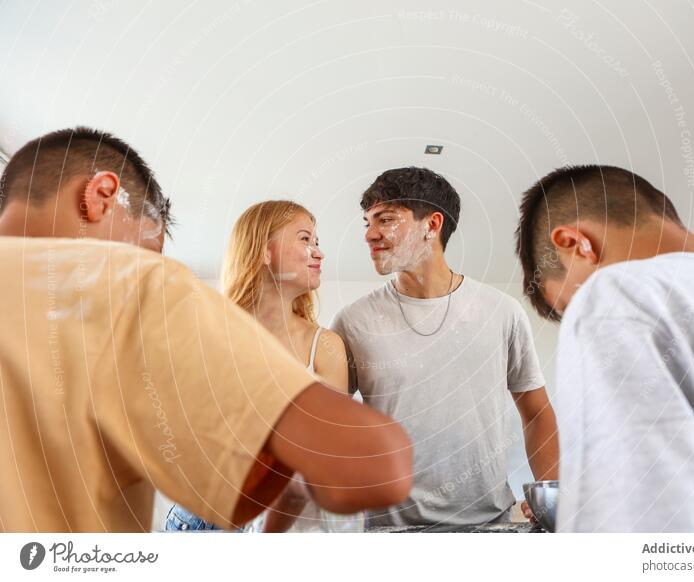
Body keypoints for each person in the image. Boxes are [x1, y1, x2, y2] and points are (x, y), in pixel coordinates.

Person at [0, 127, 412, 532]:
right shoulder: (129, 285)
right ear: (103, 195)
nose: (143, 261)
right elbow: (373, 462)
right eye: (145, 249)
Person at [515, 164, 694, 532]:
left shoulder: (619, 294)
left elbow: (647, 540)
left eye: (570, 305)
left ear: (575, 243)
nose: (577, 317)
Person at [331, 167, 559, 528]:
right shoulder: (352, 321)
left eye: (386, 219)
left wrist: (553, 494)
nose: (370, 234)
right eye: (367, 222)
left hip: (488, 525)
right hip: (386, 530)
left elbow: (536, 412)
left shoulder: (501, 312)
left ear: (432, 225)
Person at [165, 200, 349, 532]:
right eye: (306, 239)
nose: (319, 253)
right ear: (264, 252)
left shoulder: (325, 347)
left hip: (279, 522)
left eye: (317, 242)